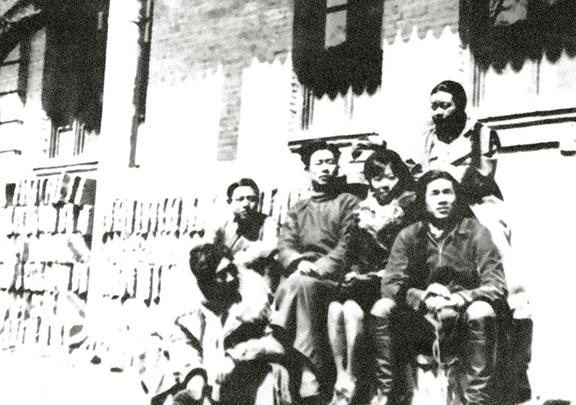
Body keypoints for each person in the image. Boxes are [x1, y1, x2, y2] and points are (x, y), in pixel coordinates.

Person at [412, 80, 531, 402]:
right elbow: (419, 173)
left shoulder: (482, 134)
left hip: (476, 202)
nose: (438, 112)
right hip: (440, 202)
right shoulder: (427, 137)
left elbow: (481, 176)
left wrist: (447, 186)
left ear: (460, 106)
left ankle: (514, 308)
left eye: (445, 106)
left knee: (493, 236)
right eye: (434, 106)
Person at [370, 170, 508, 405]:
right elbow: (391, 283)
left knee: (482, 310)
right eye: (435, 194)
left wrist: (460, 298)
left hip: (462, 317)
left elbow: (495, 284)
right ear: (423, 201)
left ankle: (476, 398)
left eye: (447, 192)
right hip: (420, 318)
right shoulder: (409, 235)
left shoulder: (475, 232)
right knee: (382, 307)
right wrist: (421, 297)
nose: (442, 199)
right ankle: (388, 393)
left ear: (456, 197)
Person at [142, 237, 292, 405]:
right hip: (207, 383)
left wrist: (236, 357)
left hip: (247, 377)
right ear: (207, 283)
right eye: (222, 275)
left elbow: (277, 341)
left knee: (270, 379)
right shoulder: (188, 312)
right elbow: (182, 345)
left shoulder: (254, 300)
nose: (231, 278)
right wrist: (194, 373)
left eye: (231, 269)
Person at [325, 148, 417, 405]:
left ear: (399, 178)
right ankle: (344, 378)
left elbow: (411, 256)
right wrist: (354, 273)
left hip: (394, 282)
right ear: (369, 181)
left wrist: (377, 274)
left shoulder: (408, 209)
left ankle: (355, 381)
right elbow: (352, 253)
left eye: (390, 178)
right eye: (377, 179)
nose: (384, 185)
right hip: (364, 284)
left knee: (352, 306)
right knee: (339, 309)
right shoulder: (362, 212)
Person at [271, 140, 360, 404]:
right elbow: (285, 245)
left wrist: (319, 268)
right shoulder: (299, 209)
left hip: (334, 277)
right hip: (301, 273)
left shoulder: (348, 202)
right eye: (319, 163)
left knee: (301, 284)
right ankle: (302, 368)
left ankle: (308, 371)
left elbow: (347, 245)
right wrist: (298, 262)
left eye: (330, 162)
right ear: (308, 169)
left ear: (337, 167)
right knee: (297, 282)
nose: (325, 168)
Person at [215, 178, 282, 292]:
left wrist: (235, 261)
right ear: (230, 202)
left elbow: (271, 245)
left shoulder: (268, 222)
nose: (246, 204)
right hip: (226, 279)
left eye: (251, 199)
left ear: (258, 201)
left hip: (258, 280)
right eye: (240, 199)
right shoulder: (223, 225)